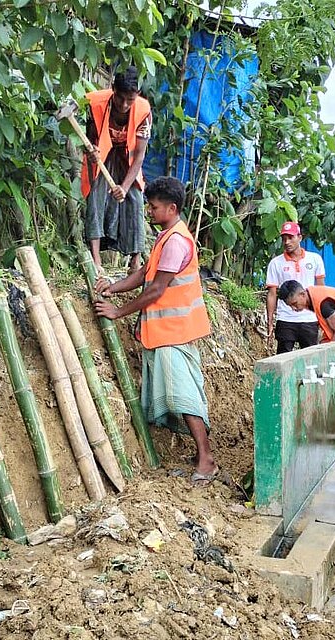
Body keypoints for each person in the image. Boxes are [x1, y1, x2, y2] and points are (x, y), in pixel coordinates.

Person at [93, 176, 217, 485]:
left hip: (174, 332)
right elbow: (145, 276)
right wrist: (113, 287)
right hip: (168, 332)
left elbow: (156, 290)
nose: (149, 211)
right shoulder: (168, 236)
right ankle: (202, 455)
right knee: (181, 396)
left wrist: (118, 311)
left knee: (183, 397)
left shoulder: (175, 241)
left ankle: (207, 459)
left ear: (171, 208)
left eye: (153, 207)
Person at [82, 66, 152, 273]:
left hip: (128, 158)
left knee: (135, 199)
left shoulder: (143, 112)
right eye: (120, 98)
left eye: (130, 100)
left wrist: (124, 185)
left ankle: (135, 261)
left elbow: (139, 155)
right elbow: (89, 137)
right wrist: (91, 150)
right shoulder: (96, 104)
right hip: (103, 155)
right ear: (113, 89)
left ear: (137, 95)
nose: (124, 105)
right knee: (96, 196)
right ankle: (96, 259)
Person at [265, 221, 325, 353]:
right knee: (283, 358)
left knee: (311, 360)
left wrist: (322, 317)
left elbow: (321, 291)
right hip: (285, 319)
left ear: (300, 237)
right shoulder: (276, 263)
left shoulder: (315, 259)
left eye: (291, 238)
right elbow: (272, 293)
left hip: (309, 318)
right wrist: (270, 320)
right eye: (284, 239)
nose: (287, 242)